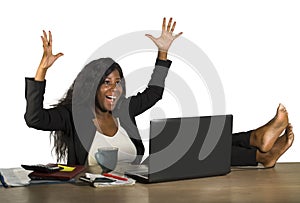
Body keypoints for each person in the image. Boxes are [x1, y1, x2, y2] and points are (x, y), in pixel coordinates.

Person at [24, 17, 183, 165]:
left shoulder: (125, 110)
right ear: (93, 86)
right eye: (107, 82)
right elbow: (34, 118)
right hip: (88, 194)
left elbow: (154, 93)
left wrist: (163, 53)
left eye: (118, 82)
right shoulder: (73, 116)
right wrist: (42, 71)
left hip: (132, 192)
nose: (115, 89)